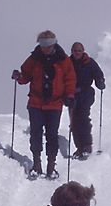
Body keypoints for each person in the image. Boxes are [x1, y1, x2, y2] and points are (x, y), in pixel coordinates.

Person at [12, 30, 76, 179]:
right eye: (42, 44)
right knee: (36, 133)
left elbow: (70, 79)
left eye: (47, 44)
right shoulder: (34, 59)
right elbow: (25, 75)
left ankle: (50, 165)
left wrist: (70, 95)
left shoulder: (63, 60)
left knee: (52, 135)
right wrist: (19, 77)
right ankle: (37, 164)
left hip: (54, 103)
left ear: (54, 44)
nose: (44, 47)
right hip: (36, 102)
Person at [69, 42, 105, 160]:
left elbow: (98, 74)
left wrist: (100, 82)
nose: (77, 53)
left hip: (85, 94)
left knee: (83, 118)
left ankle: (87, 146)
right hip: (72, 95)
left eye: (79, 50)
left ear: (83, 51)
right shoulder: (68, 63)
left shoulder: (89, 63)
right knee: (74, 121)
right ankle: (79, 147)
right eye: (75, 50)